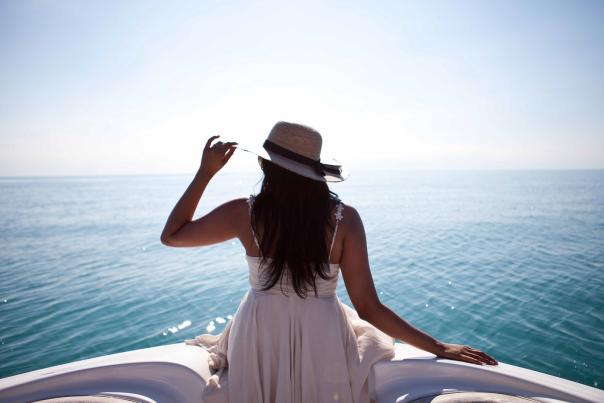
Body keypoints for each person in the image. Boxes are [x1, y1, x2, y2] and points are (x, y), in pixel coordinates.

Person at [160, 121, 498, 403]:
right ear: (314, 171)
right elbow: (367, 306)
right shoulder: (344, 220)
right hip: (322, 333)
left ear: (267, 165)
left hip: (259, 330)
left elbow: (172, 235)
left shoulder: (243, 213)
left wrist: (205, 173)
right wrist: (437, 346)